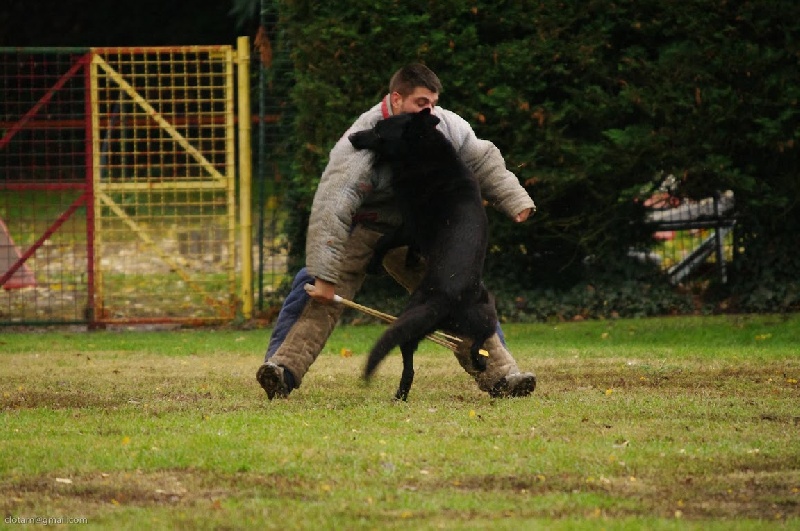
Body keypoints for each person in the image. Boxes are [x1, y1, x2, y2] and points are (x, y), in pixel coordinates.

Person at [257, 63, 537, 399]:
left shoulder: (445, 125)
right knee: (314, 286)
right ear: (396, 99)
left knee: (461, 292)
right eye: (421, 103)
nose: (429, 111)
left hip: (419, 231)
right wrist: (325, 275)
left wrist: (515, 199)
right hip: (368, 226)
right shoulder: (360, 142)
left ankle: (503, 378)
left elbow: (482, 159)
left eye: (433, 103)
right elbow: (333, 206)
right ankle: (280, 371)